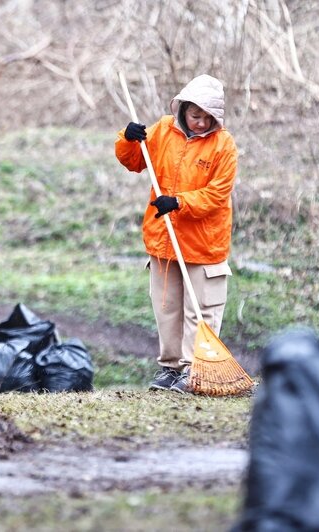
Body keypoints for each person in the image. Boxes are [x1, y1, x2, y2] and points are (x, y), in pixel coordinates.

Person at [115, 74, 238, 394]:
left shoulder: (224, 145)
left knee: (201, 311)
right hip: (163, 240)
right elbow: (133, 161)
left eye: (207, 118)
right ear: (183, 109)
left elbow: (217, 195)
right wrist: (128, 138)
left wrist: (179, 203)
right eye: (195, 115)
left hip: (203, 244)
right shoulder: (162, 130)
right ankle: (170, 368)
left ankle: (195, 369)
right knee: (166, 308)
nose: (200, 123)